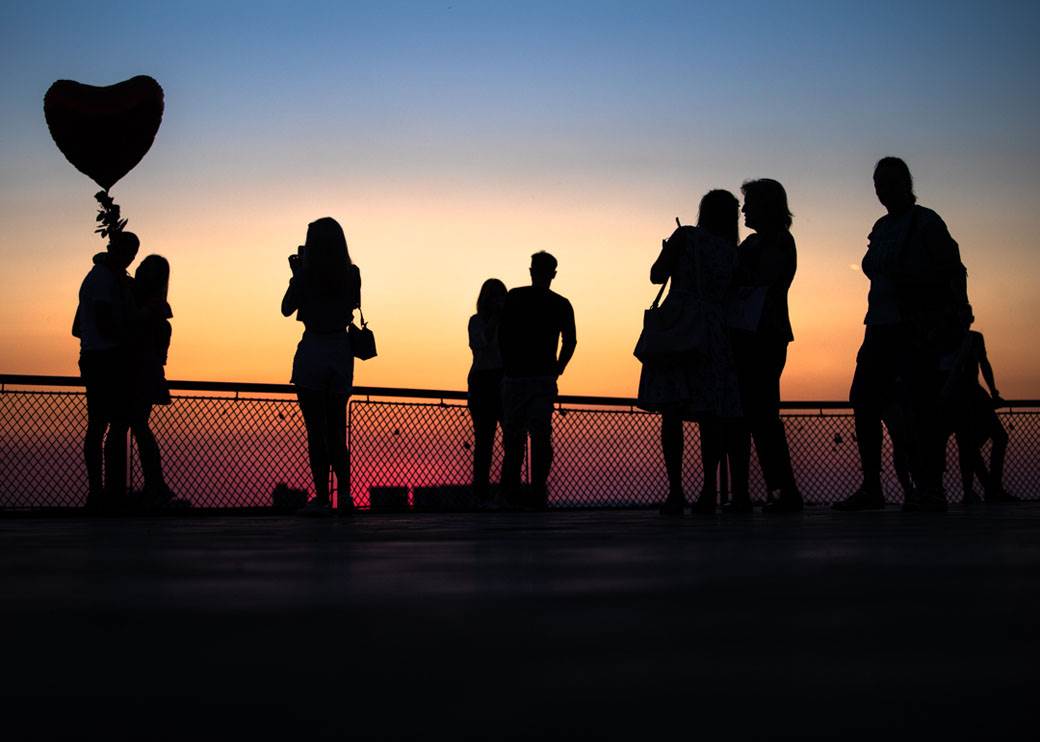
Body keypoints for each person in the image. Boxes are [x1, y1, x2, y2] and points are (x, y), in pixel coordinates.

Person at [835, 157, 969, 513]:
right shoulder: (880, 227)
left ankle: (930, 486)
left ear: (906, 183)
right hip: (878, 326)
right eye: (877, 182)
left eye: (889, 182)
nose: (882, 189)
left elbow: (951, 270)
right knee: (863, 400)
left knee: (920, 408)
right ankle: (872, 486)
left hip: (913, 329)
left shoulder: (926, 222)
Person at [637, 190, 749, 515]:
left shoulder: (686, 235)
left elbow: (656, 275)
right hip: (713, 331)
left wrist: (669, 257)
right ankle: (707, 493)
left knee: (672, 411)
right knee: (710, 414)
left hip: (678, 325)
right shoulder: (732, 252)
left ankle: (675, 492)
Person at [729, 179, 803, 513]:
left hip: (763, 334)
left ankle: (784, 490)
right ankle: (779, 489)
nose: (744, 210)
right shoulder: (764, 242)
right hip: (757, 333)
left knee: (762, 414)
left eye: (750, 203)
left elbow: (761, 279)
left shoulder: (776, 242)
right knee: (758, 414)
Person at [281, 217, 361, 515]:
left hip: (313, 347)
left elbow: (286, 308)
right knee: (337, 428)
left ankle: (323, 498)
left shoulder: (305, 275)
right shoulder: (352, 274)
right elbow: (352, 305)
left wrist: (297, 275)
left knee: (316, 430)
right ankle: (347, 494)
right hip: (340, 350)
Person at [497, 251, 576, 510]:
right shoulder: (561, 304)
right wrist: (558, 368)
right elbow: (571, 341)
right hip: (542, 377)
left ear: (531, 271)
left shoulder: (514, 297)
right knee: (540, 436)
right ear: (553, 274)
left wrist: (507, 362)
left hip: (516, 377)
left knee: (513, 439)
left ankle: (512, 493)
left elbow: (502, 332)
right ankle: (538, 491)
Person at [73, 230, 139, 512]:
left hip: (94, 356)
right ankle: (104, 492)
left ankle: (101, 490)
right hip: (105, 359)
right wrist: (126, 338)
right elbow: (102, 322)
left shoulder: (101, 278)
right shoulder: (103, 280)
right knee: (111, 424)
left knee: (101, 425)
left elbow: (77, 327)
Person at [943, 308, 1014, 503]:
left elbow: (984, 364)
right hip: (959, 397)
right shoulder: (947, 339)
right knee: (969, 443)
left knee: (996, 437)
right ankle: (984, 489)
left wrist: (994, 391)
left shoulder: (974, 339)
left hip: (974, 394)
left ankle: (990, 487)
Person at [127, 254, 176, 507]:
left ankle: (154, 485)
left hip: (141, 372)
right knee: (139, 427)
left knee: (138, 426)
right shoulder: (158, 308)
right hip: (147, 371)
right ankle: (154, 484)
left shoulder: (151, 307)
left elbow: (133, 324)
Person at [467, 278, 507, 505]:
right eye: (493, 296)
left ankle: (506, 490)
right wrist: (493, 320)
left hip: (503, 379)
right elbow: (480, 345)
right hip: (482, 380)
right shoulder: (475, 322)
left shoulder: (510, 324)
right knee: (484, 440)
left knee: (512, 439)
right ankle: (480, 493)